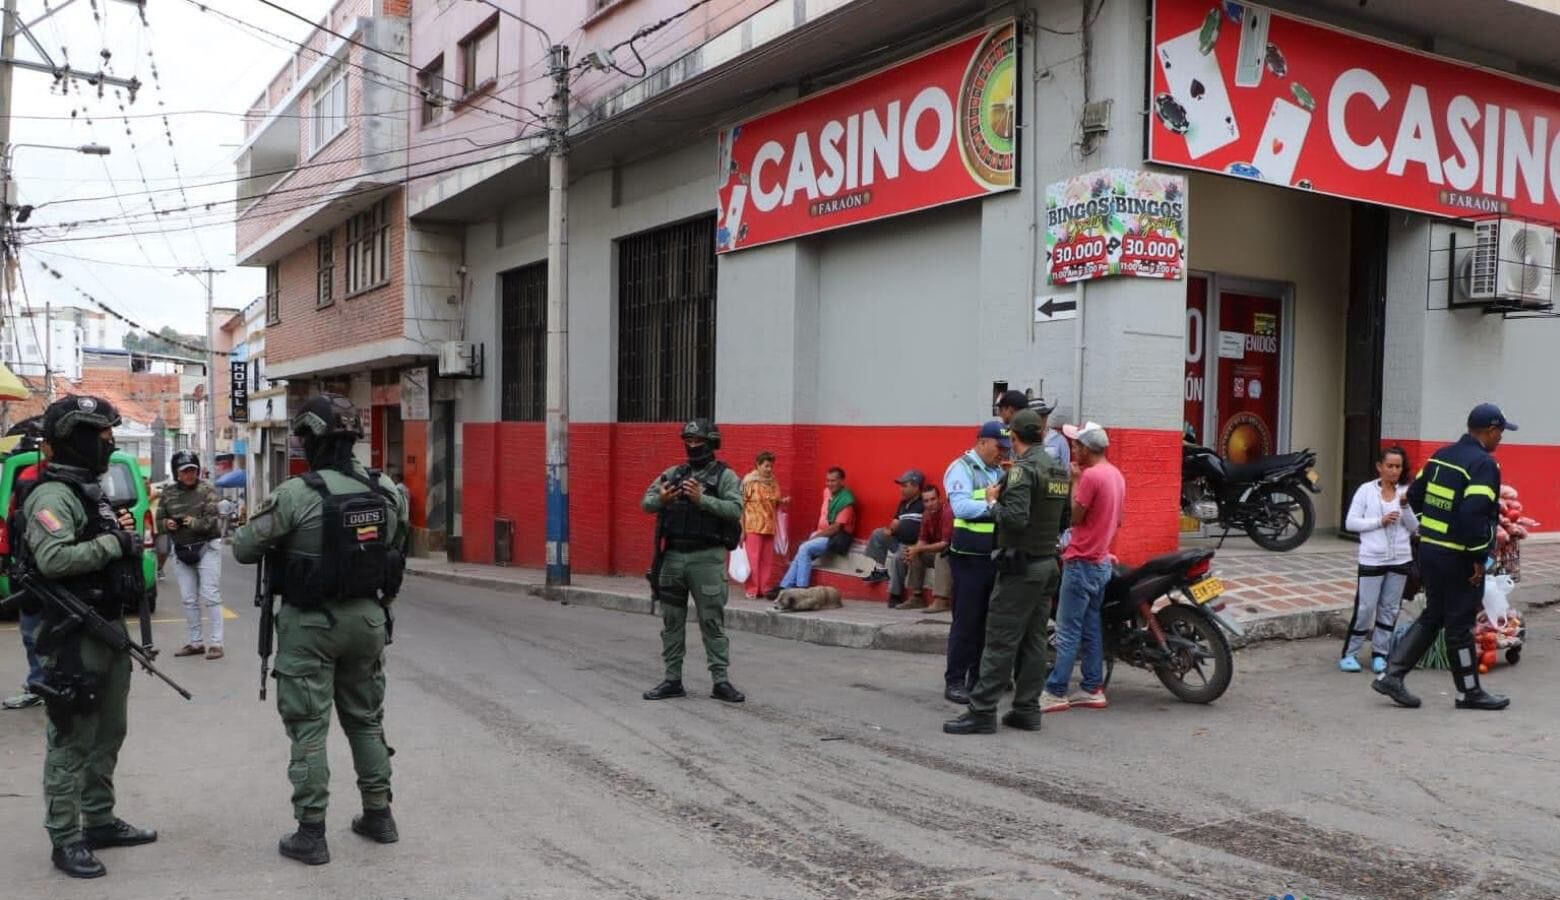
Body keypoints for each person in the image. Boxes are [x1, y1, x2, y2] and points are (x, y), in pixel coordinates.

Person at [232, 393, 409, 865]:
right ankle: (379, 815)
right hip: (368, 620)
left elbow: (244, 548)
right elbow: (396, 551)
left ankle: (311, 834)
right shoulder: (387, 489)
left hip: (310, 624)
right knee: (366, 721)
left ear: (311, 439)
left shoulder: (295, 494)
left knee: (309, 729)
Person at [21, 395, 157, 878]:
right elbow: (54, 560)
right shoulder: (51, 496)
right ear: (76, 440)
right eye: (100, 437)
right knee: (72, 738)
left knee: (108, 732)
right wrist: (112, 543)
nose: (109, 444)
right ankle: (65, 837)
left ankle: (99, 820)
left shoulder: (91, 490)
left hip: (106, 628)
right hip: (71, 636)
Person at [1374, 404, 1515, 711]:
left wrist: (1434, 531)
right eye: (1500, 433)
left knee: (1434, 615)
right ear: (1490, 431)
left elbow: (1413, 496)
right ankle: (1469, 692)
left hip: (1431, 551)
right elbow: (1474, 514)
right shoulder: (1483, 465)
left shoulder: (1440, 456)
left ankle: (1392, 675)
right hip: (1459, 557)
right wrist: (1479, 557)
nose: (1500, 439)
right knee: (1460, 624)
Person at [945, 410, 1071, 734]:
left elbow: (1014, 517)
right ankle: (1027, 709)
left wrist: (992, 502)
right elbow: (1065, 519)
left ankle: (982, 711)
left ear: (1014, 438)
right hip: (1047, 563)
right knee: (1034, 641)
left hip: (1021, 567)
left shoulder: (1022, 472)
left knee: (1000, 639)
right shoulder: (1058, 470)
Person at [641, 419, 745, 703]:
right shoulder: (675, 473)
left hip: (706, 559)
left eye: (698, 440)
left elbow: (735, 509)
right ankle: (672, 679)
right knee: (672, 621)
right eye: (688, 440)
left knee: (711, 621)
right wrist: (662, 499)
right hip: (673, 557)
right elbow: (646, 502)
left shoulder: (725, 477)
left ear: (712, 442)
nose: (692, 445)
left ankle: (720, 681)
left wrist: (703, 500)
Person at [1043, 421, 1125, 713]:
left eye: (1076, 445)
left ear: (1089, 449)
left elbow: (1074, 518)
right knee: (1090, 628)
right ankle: (1092, 687)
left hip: (1081, 563)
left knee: (1067, 630)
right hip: (1101, 562)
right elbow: (1117, 522)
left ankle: (1055, 690)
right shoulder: (1116, 475)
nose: (1073, 448)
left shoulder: (1090, 477)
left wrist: (1075, 482)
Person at [941, 421, 1008, 704]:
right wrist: (991, 503)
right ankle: (955, 681)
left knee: (987, 624)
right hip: (968, 559)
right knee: (966, 623)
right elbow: (961, 507)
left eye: (1006, 447)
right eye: (997, 446)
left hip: (991, 557)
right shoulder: (962, 468)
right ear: (982, 442)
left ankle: (977, 678)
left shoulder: (997, 471)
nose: (1001, 452)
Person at [1340, 446, 1418, 673]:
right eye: (1390, 466)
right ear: (1380, 467)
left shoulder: (1406, 491)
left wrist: (1405, 507)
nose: (1394, 471)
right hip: (1372, 558)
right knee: (1365, 607)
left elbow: (1414, 527)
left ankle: (1380, 654)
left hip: (1400, 558)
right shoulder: (1366, 491)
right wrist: (1379, 521)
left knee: (1390, 608)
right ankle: (1350, 653)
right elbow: (1351, 523)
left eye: (1398, 466)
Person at [160, 451, 225, 660]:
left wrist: (190, 522)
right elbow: (159, 519)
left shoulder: (207, 491)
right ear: (177, 473)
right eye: (184, 471)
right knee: (188, 599)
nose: (189, 475)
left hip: (206, 548)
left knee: (210, 595)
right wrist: (166, 524)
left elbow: (211, 522)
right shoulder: (168, 493)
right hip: (181, 550)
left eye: (192, 470)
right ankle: (196, 643)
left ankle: (216, 643)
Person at [4, 461, 45, 710]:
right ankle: (39, 684)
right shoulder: (30, 475)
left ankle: (45, 684)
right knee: (31, 632)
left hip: (46, 571)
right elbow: (10, 524)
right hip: (27, 569)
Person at [775, 467, 855, 593]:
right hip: (822, 533)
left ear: (842, 481)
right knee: (802, 551)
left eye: (833, 481)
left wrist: (815, 537)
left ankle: (801, 588)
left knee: (805, 548)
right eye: (827, 480)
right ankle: (784, 587)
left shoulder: (846, 501)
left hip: (834, 538)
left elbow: (836, 528)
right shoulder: (826, 492)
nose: (829, 484)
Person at [862, 470, 925, 605]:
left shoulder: (924, 503)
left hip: (912, 544)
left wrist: (918, 546)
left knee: (897, 557)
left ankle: (895, 595)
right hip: (898, 540)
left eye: (904, 485)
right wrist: (890, 530)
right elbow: (896, 521)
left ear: (916, 486)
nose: (901, 489)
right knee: (877, 533)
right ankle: (880, 570)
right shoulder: (903, 504)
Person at [739, 451, 789, 600]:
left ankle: (764, 588)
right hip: (752, 525)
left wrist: (783, 502)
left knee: (767, 559)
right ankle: (752, 589)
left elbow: (776, 500)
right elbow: (740, 504)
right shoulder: (748, 481)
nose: (769, 469)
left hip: (769, 525)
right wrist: (741, 528)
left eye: (771, 466)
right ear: (758, 465)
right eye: (766, 466)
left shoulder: (773, 482)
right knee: (753, 559)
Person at [898, 484, 954, 612]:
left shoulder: (948, 512)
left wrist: (918, 549)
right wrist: (912, 551)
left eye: (933, 499)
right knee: (914, 552)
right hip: (935, 552)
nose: (930, 504)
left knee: (942, 555)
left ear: (940, 499)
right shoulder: (926, 515)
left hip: (953, 554)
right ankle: (917, 597)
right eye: (926, 501)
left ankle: (942, 600)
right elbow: (922, 539)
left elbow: (945, 544)